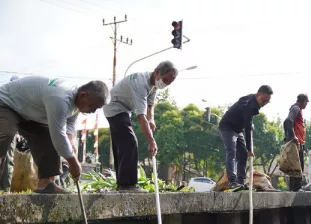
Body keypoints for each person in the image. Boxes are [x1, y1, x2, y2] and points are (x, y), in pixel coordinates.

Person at [0, 76, 108, 193]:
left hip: (29, 113)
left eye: (97, 109)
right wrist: (73, 163)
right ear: (84, 95)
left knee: (48, 140)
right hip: (7, 103)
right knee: (5, 135)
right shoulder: (60, 98)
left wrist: (71, 146)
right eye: (92, 106)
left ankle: (46, 184)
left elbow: (69, 127)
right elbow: (59, 135)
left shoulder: (77, 103)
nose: (93, 111)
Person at [103, 60, 178, 193]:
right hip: (115, 106)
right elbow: (141, 117)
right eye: (165, 80)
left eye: (169, 83)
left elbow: (150, 105)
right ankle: (128, 185)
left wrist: (152, 119)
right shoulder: (141, 83)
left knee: (121, 144)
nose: (165, 84)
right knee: (130, 142)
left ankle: (122, 184)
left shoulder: (153, 85)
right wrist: (151, 141)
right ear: (157, 72)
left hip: (124, 110)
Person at [218, 85, 273, 190]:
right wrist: (249, 148)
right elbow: (247, 128)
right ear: (258, 95)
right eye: (263, 100)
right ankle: (232, 181)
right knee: (232, 151)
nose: (264, 103)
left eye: (267, 101)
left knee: (243, 154)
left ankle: (241, 182)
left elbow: (248, 126)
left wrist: (248, 150)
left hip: (238, 129)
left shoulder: (253, 102)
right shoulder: (249, 105)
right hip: (227, 127)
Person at [283, 93, 309, 191]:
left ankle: (294, 188)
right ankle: (296, 188)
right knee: (297, 166)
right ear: (304, 101)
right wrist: (293, 136)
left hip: (299, 142)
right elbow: (288, 121)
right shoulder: (296, 108)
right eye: (306, 102)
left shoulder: (297, 109)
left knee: (295, 166)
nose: (306, 105)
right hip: (295, 143)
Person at [0, 75, 20, 191]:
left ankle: (4, 189)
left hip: (8, 131)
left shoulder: (4, 91)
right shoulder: (16, 96)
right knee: (7, 160)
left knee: (7, 160)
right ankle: (4, 190)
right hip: (7, 132)